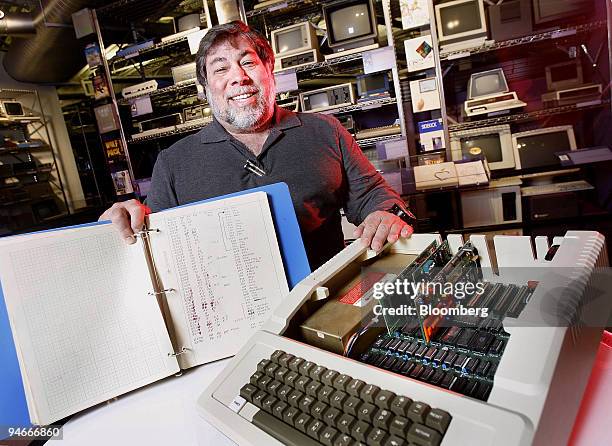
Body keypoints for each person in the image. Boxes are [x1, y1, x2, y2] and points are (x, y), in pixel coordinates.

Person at [100, 21, 414, 269]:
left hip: (325, 302)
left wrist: (385, 213)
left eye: (248, 63)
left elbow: (374, 194)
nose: (238, 77)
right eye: (221, 68)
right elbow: (155, 249)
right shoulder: (174, 162)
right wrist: (119, 229)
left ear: (269, 71)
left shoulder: (324, 131)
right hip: (231, 321)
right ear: (205, 88)